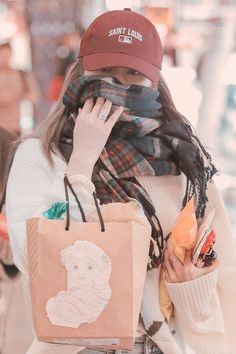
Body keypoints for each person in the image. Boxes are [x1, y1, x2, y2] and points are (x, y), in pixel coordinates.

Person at [6, 8, 236, 354]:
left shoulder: (184, 162)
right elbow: (32, 258)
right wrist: (81, 165)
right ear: (81, 73)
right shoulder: (38, 156)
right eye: (106, 71)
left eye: (132, 73)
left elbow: (223, 274)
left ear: (154, 82)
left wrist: (193, 285)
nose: (117, 84)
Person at [0, 42, 39, 135]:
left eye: (7, 53)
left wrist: (21, 97)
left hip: (15, 126)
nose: (5, 57)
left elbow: (34, 96)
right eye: (2, 54)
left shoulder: (21, 74)